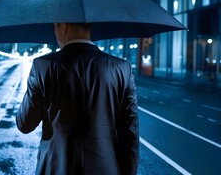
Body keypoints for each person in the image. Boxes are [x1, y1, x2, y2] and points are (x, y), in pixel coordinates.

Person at [16, 23, 139, 175]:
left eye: (55, 26)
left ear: (63, 26)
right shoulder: (122, 68)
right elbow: (130, 137)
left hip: (56, 168)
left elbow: (25, 124)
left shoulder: (43, 66)